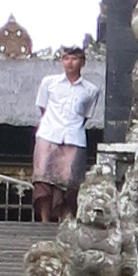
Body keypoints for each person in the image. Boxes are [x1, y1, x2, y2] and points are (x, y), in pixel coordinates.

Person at [32, 37, 97, 222]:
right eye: (66, 58)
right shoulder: (49, 83)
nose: (70, 62)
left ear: (82, 62)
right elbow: (43, 108)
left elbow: (85, 115)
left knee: (70, 181)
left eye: (74, 58)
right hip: (48, 133)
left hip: (73, 137)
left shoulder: (91, 90)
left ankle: (65, 219)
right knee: (43, 178)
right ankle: (44, 219)